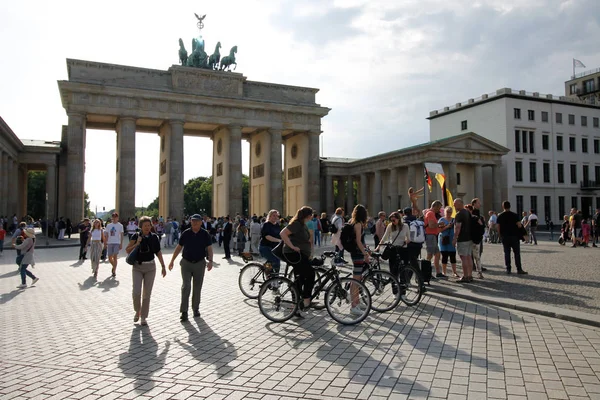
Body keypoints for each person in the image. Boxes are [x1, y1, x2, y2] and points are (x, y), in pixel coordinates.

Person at [168, 214, 214, 321]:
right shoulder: (186, 233)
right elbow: (179, 247)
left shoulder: (205, 234)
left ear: (201, 222)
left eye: (197, 221)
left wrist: (210, 261)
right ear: (191, 222)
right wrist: (172, 261)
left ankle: (195, 308)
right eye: (193, 221)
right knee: (186, 286)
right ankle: (184, 311)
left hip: (199, 263)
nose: (195, 223)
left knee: (197, 287)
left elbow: (210, 248)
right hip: (186, 263)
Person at [126, 216, 167, 326]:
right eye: (145, 226)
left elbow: (158, 252)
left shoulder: (154, 237)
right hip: (137, 267)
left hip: (150, 268)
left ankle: (143, 317)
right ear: (141, 226)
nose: (147, 227)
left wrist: (163, 266)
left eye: (149, 225)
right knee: (136, 292)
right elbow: (127, 250)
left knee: (146, 294)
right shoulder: (136, 236)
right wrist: (137, 244)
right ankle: (137, 311)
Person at [280, 206, 316, 318]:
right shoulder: (296, 224)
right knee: (310, 273)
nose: (312, 217)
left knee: (300, 278)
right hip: (293, 254)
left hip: (299, 254)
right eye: (311, 215)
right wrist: (292, 246)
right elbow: (283, 233)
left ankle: (296, 306)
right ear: (308, 215)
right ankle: (306, 299)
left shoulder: (302, 224)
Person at [347, 204, 371, 316]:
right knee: (356, 280)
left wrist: (366, 250)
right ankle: (353, 306)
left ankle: (356, 301)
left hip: (357, 253)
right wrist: (365, 253)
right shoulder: (357, 224)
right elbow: (358, 241)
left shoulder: (356, 223)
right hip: (357, 254)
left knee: (357, 278)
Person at [375, 211, 409, 278]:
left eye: (393, 220)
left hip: (402, 249)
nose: (392, 222)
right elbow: (384, 237)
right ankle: (394, 286)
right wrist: (378, 247)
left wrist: (405, 242)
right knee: (393, 270)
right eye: (391, 220)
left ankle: (403, 285)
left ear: (398, 219)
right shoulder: (390, 226)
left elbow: (409, 238)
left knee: (403, 269)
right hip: (393, 249)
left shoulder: (405, 226)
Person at [497, 201, 528, 275]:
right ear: (510, 206)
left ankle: (508, 269)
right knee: (517, 253)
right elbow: (519, 225)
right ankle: (519, 269)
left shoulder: (500, 216)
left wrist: (500, 235)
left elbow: (498, 227)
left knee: (507, 253)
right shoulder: (514, 215)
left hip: (505, 236)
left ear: (503, 206)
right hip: (514, 236)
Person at [453, 198, 473, 283]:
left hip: (462, 238)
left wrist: (454, 238)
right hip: (469, 238)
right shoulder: (467, 212)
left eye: (455, 204)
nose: (454, 205)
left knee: (463, 257)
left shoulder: (459, 214)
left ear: (460, 204)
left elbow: (458, 228)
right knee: (468, 256)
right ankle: (470, 275)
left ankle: (465, 276)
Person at [259, 210, 282, 277]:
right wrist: (278, 240)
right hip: (265, 247)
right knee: (274, 260)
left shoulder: (277, 225)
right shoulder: (266, 225)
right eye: (273, 216)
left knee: (277, 261)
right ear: (269, 216)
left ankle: (274, 277)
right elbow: (267, 236)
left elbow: (280, 234)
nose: (275, 217)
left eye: (276, 216)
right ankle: (271, 277)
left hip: (274, 248)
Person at [424, 201, 443, 277]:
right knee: (430, 254)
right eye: (439, 208)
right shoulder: (431, 213)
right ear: (435, 206)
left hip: (433, 236)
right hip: (430, 235)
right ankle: (427, 272)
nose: (439, 210)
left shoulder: (431, 213)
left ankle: (438, 272)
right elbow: (431, 225)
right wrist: (439, 224)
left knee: (437, 253)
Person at [438, 206, 458, 277]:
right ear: (445, 212)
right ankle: (444, 272)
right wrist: (447, 227)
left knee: (453, 256)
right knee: (444, 256)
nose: (449, 213)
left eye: (450, 212)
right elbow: (439, 230)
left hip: (451, 240)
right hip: (443, 240)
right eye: (447, 212)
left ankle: (454, 272)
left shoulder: (454, 220)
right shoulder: (441, 220)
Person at [104, 212, 124, 278]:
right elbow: (106, 234)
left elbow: (121, 235)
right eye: (113, 217)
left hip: (116, 242)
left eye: (116, 217)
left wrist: (121, 244)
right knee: (110, 258)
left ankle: (114, 271)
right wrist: (105, 242)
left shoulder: (120, 225)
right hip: (110, 242)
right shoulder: (108, 225)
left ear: (118, 218)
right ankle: (114, 266)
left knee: (115, 256)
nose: (114, 218)